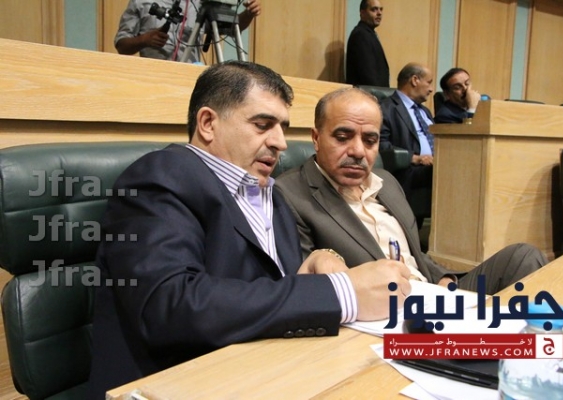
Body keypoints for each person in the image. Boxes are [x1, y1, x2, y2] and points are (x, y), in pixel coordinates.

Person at [87, 61, 411, 399]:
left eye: (282, 127)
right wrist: (341, 293)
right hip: (176, 384)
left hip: (270, 375)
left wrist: (317, 259)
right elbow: (171, 306)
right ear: (208, 123)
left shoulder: (271, 194)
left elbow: (271, 295)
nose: (280, 142)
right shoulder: (160, 176)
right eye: (262, 125)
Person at [275, 87, 547, 294]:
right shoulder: (290, 194)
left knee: (523, 257)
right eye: (343, 137)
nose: (358, 151)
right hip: (384, 311)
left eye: (370, 140)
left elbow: (414, 252)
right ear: (316, 138)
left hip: (434, 293)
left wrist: (443, 279)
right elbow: (307, 282)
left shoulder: (386, 181)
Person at [114, 0, 261, 63]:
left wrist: (248, 14)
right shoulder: (140, 2)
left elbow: (230, 28)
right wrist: (144, 40)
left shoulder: (200, 4)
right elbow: (121, 46)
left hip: (189, 81)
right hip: (152, 79)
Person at [379, 62, 435, 224]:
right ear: (415, 80)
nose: (431, 89)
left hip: (433, 167)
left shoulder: (425, 112)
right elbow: (379, 144)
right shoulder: (386, 108)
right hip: (408, 170)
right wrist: (415, 158)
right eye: (429, 82)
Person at [345, 0, 389, 87]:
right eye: (374, 9)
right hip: (367, 93)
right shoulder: (360, 35)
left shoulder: (369, 34)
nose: (379, 13)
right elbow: (368, 75)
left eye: (381, 9)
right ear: (362, 13)